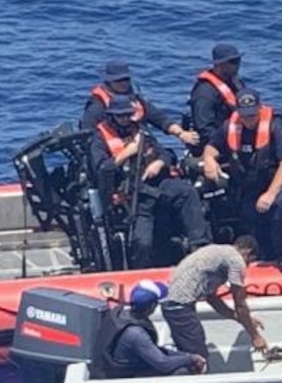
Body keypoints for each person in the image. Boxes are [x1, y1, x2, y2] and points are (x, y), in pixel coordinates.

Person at [89, 93, 210, 268]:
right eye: (120, 115)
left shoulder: (139, 130)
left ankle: (199, 247)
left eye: (127, 115)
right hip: (133, 195)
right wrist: (128, 152)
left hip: (155, 184)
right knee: (142, 242)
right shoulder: (100, 138)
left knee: (186, 191)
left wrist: (159, 163)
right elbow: (102, 168)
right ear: (112, 115)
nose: (124, 119)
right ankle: (141, 272)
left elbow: (166, 154)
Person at [201, 89, 282, 269]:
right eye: (244, 115)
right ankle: (265, 253)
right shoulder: (230, 126)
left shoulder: (276, 128)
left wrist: (270, 194)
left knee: (281, 206)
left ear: (259, 109)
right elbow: (212, 147)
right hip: (253, 181)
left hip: (280, 181)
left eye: (252, 115)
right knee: (248, 214)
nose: (248, 119)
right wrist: (209, 160)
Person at [159, 235, 268, 362]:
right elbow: (240, 304)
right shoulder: (236, 260)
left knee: (188, 353)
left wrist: (241, 319)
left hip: (172, 305)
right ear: (248, 252)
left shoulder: (218, 252)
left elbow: (212, 299)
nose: (247, 266)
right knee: (199, 358)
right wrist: (255, 336)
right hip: (180, 305)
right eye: (249, 262)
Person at [97, 279, 207, 377]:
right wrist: (191, 359)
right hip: (125, 375)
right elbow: (164, 364)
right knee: (181, 371)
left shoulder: (122, 314)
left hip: (117, 365)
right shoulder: (135, 333)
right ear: (151, 307)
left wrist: (185, 356)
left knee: (178, 358)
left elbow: (153, 350)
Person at [80, 60, 199, 150]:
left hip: (143, 150)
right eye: (118, 80)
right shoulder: (97, 107)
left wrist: (181, 134)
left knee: (169, 157)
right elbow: (88, 139)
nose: (123, 83)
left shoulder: (136, 101)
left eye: (126, 79)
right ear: (109, 81)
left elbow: (160, 119)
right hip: (116, 156)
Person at [185, 42, 249, 150]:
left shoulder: (236, 82)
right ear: (219, 64)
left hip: (237, 134)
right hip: (215, 144)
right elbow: (204, 129)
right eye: (233, 62)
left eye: (238, 60)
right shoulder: (205, 92)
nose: (238, 64)